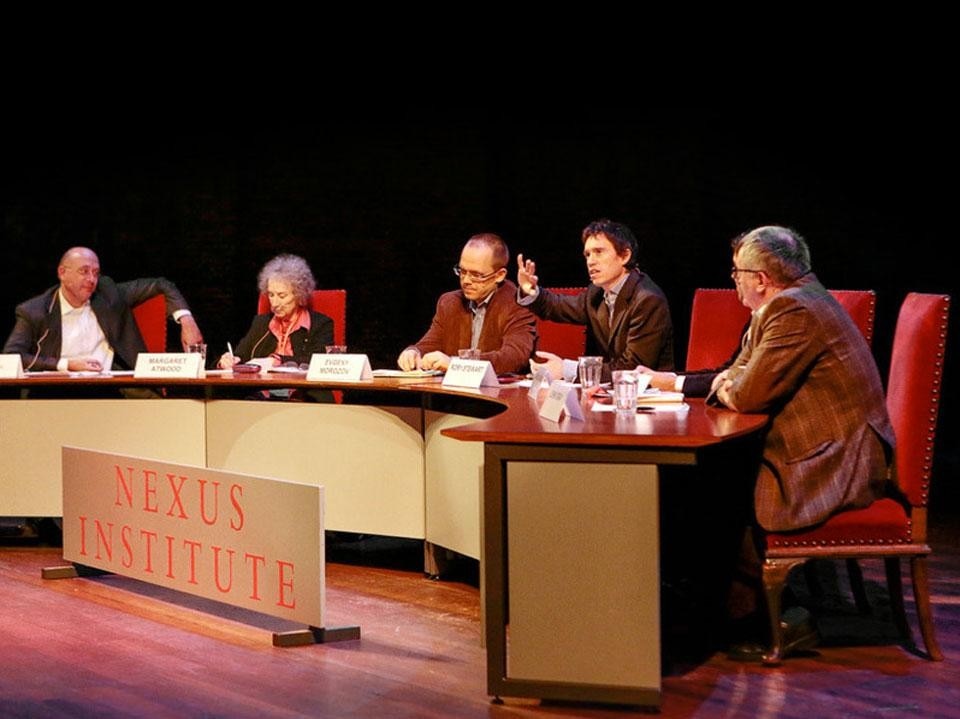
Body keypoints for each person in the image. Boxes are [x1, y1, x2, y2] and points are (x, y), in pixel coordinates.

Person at [516, 218, 674, 381]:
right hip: (614, 390)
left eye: (599, 252)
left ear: (625, 256)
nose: (590, 261)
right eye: (587, 254)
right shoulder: (596, 293)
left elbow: (632, 369)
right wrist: (530, 291)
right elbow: (558, 306)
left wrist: (567, 369)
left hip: (653, 392)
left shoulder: (648, 300)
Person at [3, 246, 203, 372]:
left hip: (110, 386)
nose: (91, 279)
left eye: (95, 273)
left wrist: (187, 321)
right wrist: (66, 365)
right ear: (62, 273)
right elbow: (11, 357)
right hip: (55, 390)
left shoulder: (108, 293)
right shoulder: (35, 311)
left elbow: (161, 285)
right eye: (84, 271)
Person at [397, 233, 537, 374]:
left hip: (499, 387)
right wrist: (414, 352)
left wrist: (456, 364)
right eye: (462, 271)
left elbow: (513, 357)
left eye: (476, 275)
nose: (466, 281)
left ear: (499, 275)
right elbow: (431, 343)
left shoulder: (518, 303)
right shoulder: (449, 302)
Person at [218, 254, 333, 371]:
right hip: (263, 382)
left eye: (281, 296)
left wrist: (276, 361)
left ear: (299, 295)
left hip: (299, 383)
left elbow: (321, 362)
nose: (275, 303)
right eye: (271, 295)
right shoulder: (261, 323)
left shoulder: (321, 324)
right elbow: (240, 355)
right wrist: (231, 360)